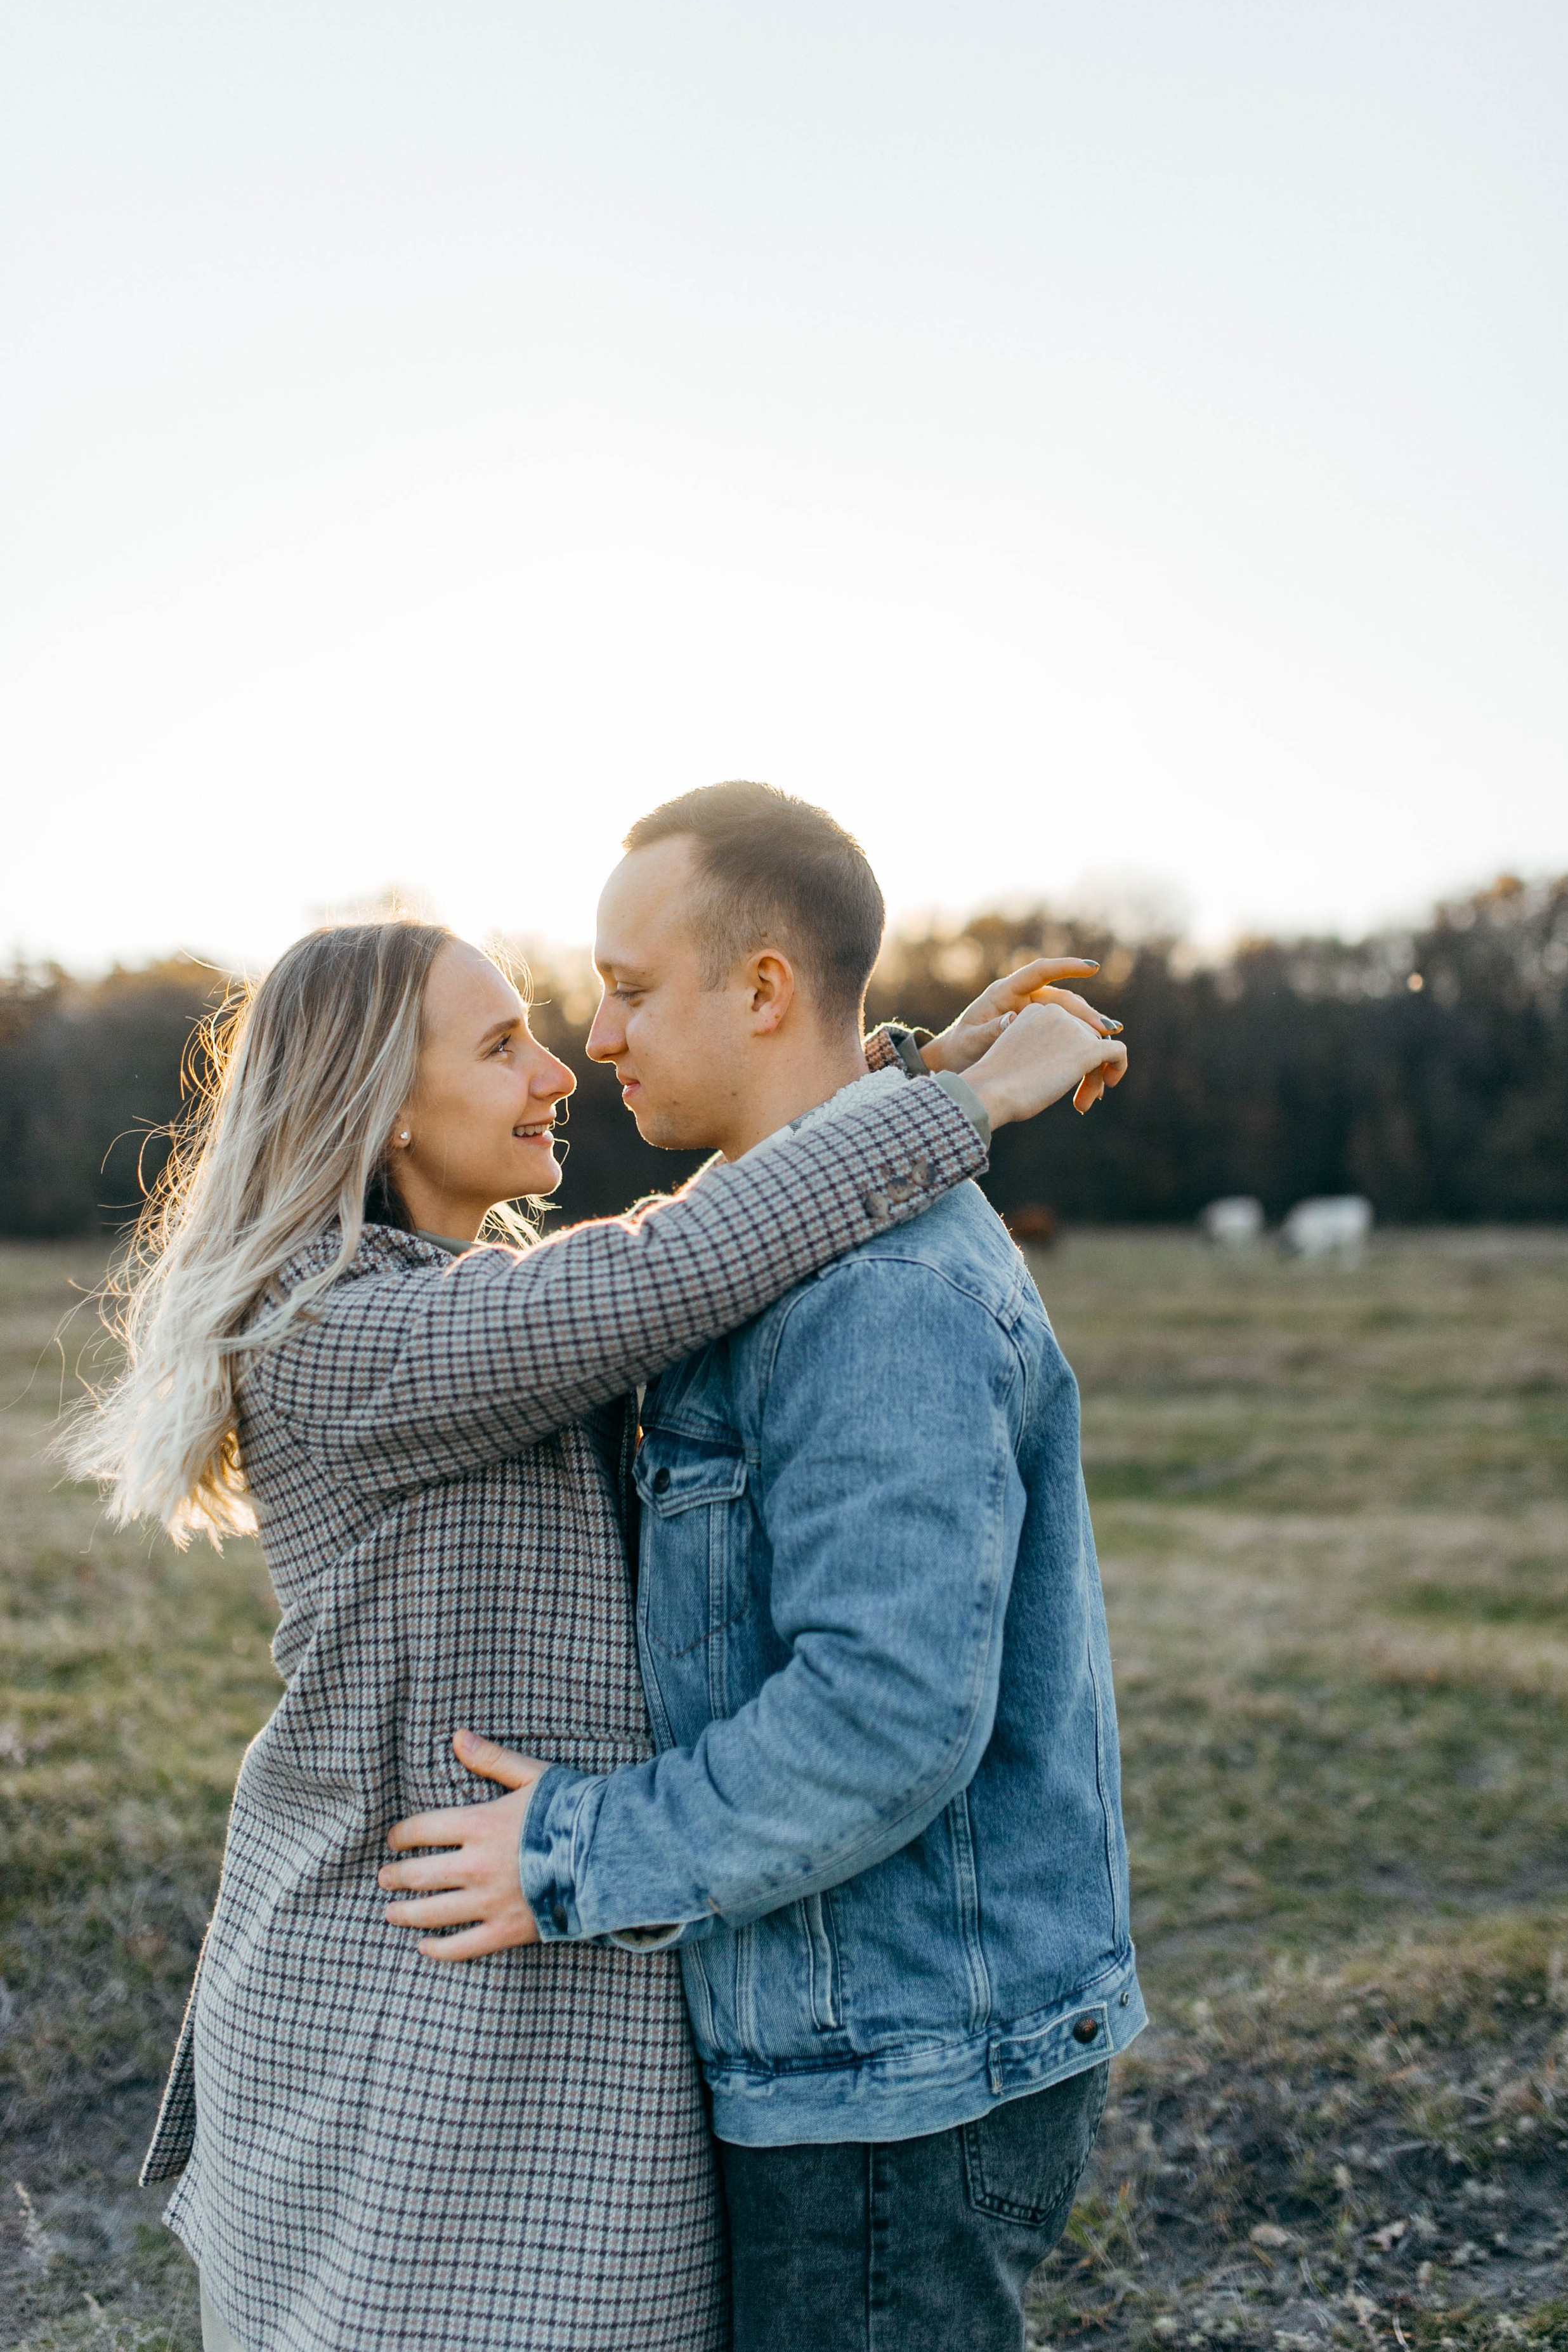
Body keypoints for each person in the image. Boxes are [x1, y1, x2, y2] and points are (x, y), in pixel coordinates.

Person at [65, 897, 1118, 2352]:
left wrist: (900, 1071)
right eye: (502, 1045)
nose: (559, 1069)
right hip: (405, 1984)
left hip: (549, 1944)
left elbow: (700, 1247)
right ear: (381, 1106)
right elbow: (668, 1267)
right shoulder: (332, 1333)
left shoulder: (478, 1308)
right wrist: (962, 1102)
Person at [380, 783, 1142, 2352]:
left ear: (765, 989)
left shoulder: (877, 1297)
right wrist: (919, 1075)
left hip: (893, 2070)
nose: (595, 1036)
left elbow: (885, 1712)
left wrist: (572, 1853)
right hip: (848, 2037)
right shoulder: (775, 1250)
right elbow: (708, 1232)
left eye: (629, 988)